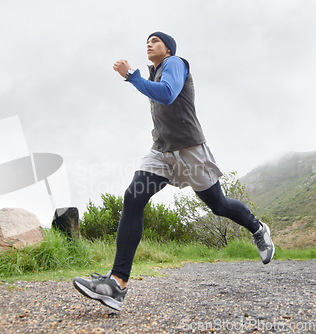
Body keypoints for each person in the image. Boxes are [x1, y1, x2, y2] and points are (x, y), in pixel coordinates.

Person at [73, 31, 275, 312]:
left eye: (155, 40)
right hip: (161, 151)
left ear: (168, 49)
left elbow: (168, 94)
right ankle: (116, 284)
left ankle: (257, 227)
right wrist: (138, 78)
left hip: (190, 149)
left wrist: (131, 75)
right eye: (147, 40)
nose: (149, 43)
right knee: (133, 196)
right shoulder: (151, 75)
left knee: (218, 205)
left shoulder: (175, 63)